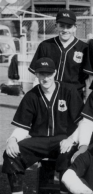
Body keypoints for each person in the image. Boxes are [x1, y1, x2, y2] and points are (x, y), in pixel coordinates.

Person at [2, 57, 84, 194]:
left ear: (55, 73)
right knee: (11, 154)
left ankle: (65, 192)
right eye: (42, 74)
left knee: (68, 154)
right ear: (36, 74)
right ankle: (17, 192)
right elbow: (23, 126)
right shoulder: (31, 96)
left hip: (63, 140)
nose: (46, 78)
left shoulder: (69, 91)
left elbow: (82, 122)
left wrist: (71, 139)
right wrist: (12, 139)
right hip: (39, 141)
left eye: (49, 74)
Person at [28, 10, 88, 94]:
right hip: (49, 93)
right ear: (56, 26)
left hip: (74, 95)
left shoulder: (84, 48)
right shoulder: (45, 45)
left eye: (69, 26)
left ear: (75, 28)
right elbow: (36, 74)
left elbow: (88, 78)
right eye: (62, 26)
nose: (65, 30)